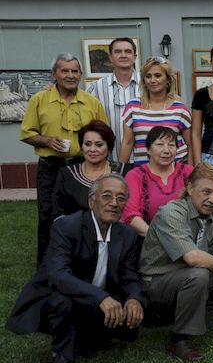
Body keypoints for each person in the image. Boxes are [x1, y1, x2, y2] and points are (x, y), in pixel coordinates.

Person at [6, 175, 146, 363]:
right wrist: (101, 297)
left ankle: (88, 339)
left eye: (121, 198)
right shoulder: (67, 227)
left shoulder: (127, 234)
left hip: (97, 297)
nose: (114, 203)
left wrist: (134, 298)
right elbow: (58, 275)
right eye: (106, 196)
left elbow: (129, 275)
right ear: (91, 201)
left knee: (129, 327)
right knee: (64, 300)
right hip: (58, 295)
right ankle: (62, 358)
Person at [139, 164, 213, 362]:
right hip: (157, 284)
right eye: (206, 192)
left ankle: (195, 321)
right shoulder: (172, 212)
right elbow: (193, 258)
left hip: (192, 281)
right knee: (198, 274)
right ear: (190, 188)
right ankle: (178, 340)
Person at [19, 52, 109, 264]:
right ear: (54, 74)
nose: (70, 75)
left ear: (80, 75)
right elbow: (27, 133)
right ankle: (46, 268)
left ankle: (82, 265)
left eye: (75, 71)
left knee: (84, 214)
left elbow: (104, 134)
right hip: (50, 167)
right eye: (65, 71)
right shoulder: (39, 100)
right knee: (47, 216)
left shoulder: (91, 102)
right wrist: (47, 140)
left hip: (82, 167)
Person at [119, 57, 193, 166]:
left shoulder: (180, 109)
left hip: (176, 170)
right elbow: (127, 142)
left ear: (168, 79)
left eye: (158, 75)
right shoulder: (132, 107)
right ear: (144, 81)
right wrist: (119, 171)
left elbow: (191, 145)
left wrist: (189, 171)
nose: (152, 80)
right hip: (142, 170)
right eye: (148, 76)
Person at [122, 126, 194, 237]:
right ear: (148, 149)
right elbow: (130, 214)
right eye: (160, 144)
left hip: (187, 237)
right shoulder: (135, 175)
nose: (166, 150)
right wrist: (157, 237)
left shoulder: (189, 172)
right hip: (148, 240)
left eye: (171, 145)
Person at [53, 120, 130, 218]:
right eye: (87, 144)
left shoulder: (124, 172)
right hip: (76, 227)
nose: (92, 149)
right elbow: (59, 213)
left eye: (99, 145)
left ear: (109, 148)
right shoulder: (67, 174)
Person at [86, 37, 139, 160]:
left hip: (144, 161)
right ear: (110, 57)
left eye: (128, 51)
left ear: (135, 57)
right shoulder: (97, 87)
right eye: (118, 51)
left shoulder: (147, 85)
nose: (123, 55)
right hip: (110, 160)